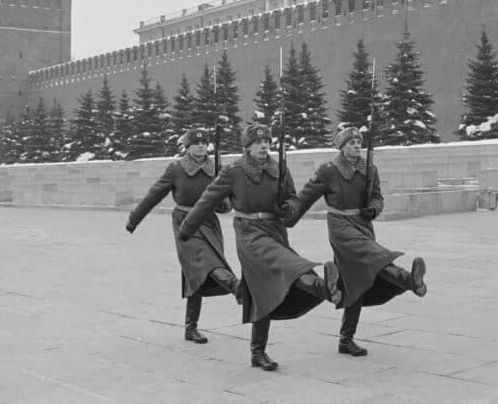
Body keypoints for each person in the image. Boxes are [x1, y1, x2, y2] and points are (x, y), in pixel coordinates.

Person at [178, 124, 342, 371]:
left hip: (275, 230)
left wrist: (289, 208)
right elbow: (207, 200)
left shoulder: (279, 169)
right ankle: (325, 288)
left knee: (261, 291)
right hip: (249, 233)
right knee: (289, 264)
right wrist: (186, 230)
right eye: (259, 142)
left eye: (267, 141)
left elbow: (293, 201)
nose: (265, 146)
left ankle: (257, 353)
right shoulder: (234, 172)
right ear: (247, 146)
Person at [290, 126, 427, 358]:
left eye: (358, 141)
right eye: (351, 142)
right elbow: (304, 199)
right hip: (341, 228)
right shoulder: (328, 171)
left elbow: (378, 198)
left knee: (355, 281)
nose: (356, 145)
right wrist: (286, 216)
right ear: (341, 146)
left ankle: (346, 339)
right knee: (375, 256)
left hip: (363, 225)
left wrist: (373, 209)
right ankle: (410, 281)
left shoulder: (369, 169)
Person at [126, 128, 241, 344]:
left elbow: (227, 201)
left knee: (195, 273)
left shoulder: (215, 168)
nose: (200, 146)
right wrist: (134, 219)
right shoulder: (176, 169)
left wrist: (223, 204)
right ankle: (236, 287)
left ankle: (191, 328)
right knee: (203, 259)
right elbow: (154, 195)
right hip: (185, 224)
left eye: (203, 143)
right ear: (187, 147)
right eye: (195, 143)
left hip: (208, 223)